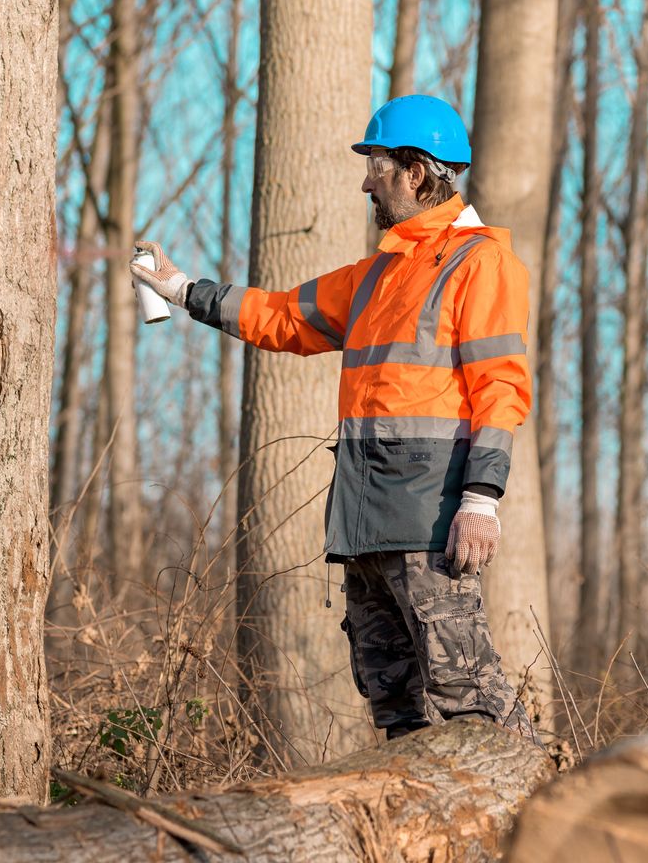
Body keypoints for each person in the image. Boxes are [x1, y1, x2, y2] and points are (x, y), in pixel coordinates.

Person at [132, 94, 535, 741]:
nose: (365, 182)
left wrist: (482, 499)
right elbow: (285, 317)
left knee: (471, 701)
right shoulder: (377, 275)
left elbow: (500, 386)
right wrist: (183, 291)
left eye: (376, 167)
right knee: (393, 706)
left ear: (417, 172)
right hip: (362, 520)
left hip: (431, 522)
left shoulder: (479, 263)